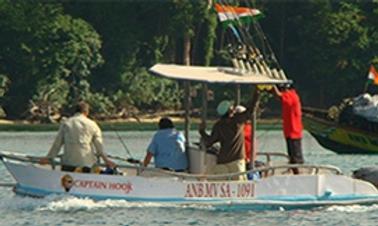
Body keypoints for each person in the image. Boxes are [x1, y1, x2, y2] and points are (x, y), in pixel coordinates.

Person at [40, 101, 116, 172]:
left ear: (75, 111)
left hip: (68, 164)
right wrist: (107, 161)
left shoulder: (66, 123)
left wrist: (48, 158)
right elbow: (99, 147)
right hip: (87, 164)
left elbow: (57, 144)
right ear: (86, 112)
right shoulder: (93, 124)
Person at [199, 95, 258, 181]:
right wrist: (256, 95)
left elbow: (209, 141)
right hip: (236, 161)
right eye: (232, 107)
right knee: (239, 188)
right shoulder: (237, 121)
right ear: (230, 110)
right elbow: (251, 111)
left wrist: (202, 132)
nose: (234, 108)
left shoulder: (218, 125)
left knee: (220, 186)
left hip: (222, 160)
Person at [272, 84, 304, 174]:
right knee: (292, 156)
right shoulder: (291, 95)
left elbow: (278, 95)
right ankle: (295, 172)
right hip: (290, 131)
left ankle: (298, 175)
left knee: (295, 158)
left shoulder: (291, 95)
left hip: (293, 131)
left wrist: (272, 85)